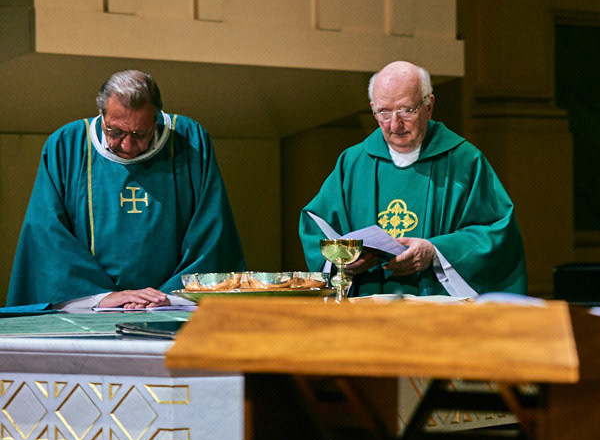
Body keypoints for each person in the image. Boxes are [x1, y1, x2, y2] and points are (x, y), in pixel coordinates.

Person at [6, 70, 245, 309]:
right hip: (91, 307)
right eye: (115, 132)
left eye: (140, 134)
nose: (127, 145)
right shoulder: (66, 146)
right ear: (101, 113)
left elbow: (212, 231)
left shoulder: (189, 140)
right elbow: (46, 235)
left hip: (170, 305)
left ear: (157, 118)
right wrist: (99, 296)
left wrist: (165, 298)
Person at [299, 61, 526, 297]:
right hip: (368, 308)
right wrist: (342, 262)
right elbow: (316, 225)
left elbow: (498, 234)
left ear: (429, 106)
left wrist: (436, 251)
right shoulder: (353, 162)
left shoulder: (465, 161)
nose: (395, 124)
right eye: (384, 112)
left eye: (406, 110)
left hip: (439, 313)